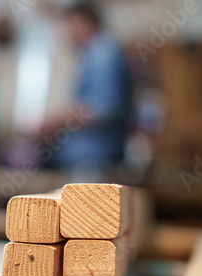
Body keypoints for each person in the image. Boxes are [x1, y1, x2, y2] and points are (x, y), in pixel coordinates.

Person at [45, 2, 132, 180]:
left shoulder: (102, 53)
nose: (69, 32)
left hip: (94, 160)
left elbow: (103, 109)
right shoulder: (94, 53)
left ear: (88, 23)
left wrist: (55, 121)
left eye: (72, 25)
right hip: (88, 158)